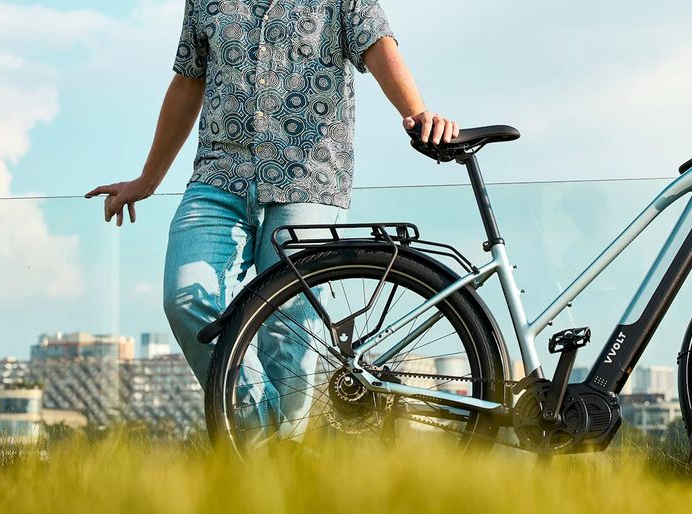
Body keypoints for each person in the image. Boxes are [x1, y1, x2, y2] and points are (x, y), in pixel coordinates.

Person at [85, 0, 458, 428]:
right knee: (186, 297)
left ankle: (279, 465)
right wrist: (147, 181)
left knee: (289, 330)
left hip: (308, 175)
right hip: (218, 175)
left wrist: (417, 113)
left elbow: (377, 45)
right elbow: (189, 83)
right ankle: (263, 435)